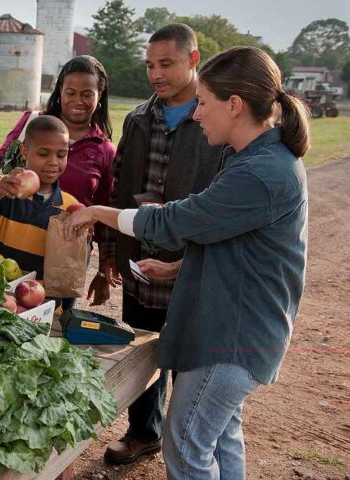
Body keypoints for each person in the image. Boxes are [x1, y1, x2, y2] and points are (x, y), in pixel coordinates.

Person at [65, 45, 309, 480]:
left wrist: (99, 212)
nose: (197, 114)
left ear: (234, 106)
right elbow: (234, 241)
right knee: (220, 437)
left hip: (230, 338)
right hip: (239, 332)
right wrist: (178, 269)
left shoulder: (259, 173)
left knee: (186, 446)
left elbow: (179, 221)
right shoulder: (256, 160)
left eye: (204, 103)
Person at [97, 23, 224, 465]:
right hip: (140, 258)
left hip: (194, 262)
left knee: (189, 356)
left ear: (193, 60)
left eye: (165, 63)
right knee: (145, 349)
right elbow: (117, 188)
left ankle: (184, 440)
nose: (155, 74)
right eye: (150, 65)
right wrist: (112, 249)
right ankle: (143, 432)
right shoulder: (137, 119)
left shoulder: (216, 119)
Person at [0, 55, 116, 303]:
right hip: (13, 231)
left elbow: (104, 211)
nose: (78, 100)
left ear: (99, 96)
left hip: (62, 258)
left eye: (87, 94)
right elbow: (0, 157)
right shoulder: (33, 124)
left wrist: (104, 266)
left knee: (51, 317)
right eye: (70, 92)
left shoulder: (105, 150)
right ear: (60, 92)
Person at [0, 115, 79, 307]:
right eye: (43, 153)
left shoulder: (69, 207)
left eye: (61, 155)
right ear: (24, 151)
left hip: (39, 306)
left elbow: (69, 267)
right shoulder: (4, 188)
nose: (53, 162)